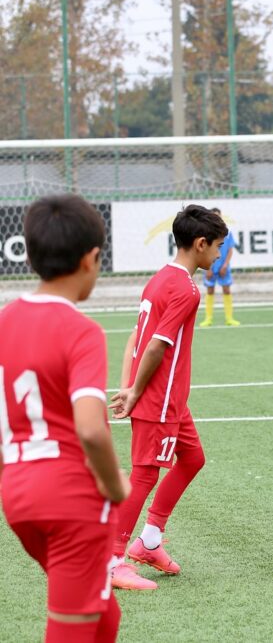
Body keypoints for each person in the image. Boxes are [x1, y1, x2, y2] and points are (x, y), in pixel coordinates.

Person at [0, 195, 130, 642]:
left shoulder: (4, 321)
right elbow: (91, 427)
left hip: (18, 496)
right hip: (72, 500)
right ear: (92, 259)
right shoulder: (81, 330)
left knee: (103, 614)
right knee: (70, 629)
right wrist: (116, 487)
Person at [109, 205, 227, 590]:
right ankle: (112, 560)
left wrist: (128, 386)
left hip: (171, 399)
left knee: (193, 458)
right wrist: (137, 391)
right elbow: (156, 345)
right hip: (159, 398)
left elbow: (134, 337)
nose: (220, 254)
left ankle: (150, 541)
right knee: (144, 474)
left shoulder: (160, 278)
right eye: (218, 246)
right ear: (200, 243)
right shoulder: (186, 290)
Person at [199, 208, 240, 327]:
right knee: (210, 290)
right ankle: (208, 319)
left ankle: (229, 318)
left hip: (223, 267)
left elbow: (230, 250)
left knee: (226, 290)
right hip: (210, 266)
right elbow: (203, 251)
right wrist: (209, 268)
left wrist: (225, 265)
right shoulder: (205, 233)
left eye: (218, 216)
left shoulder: (228, 232)